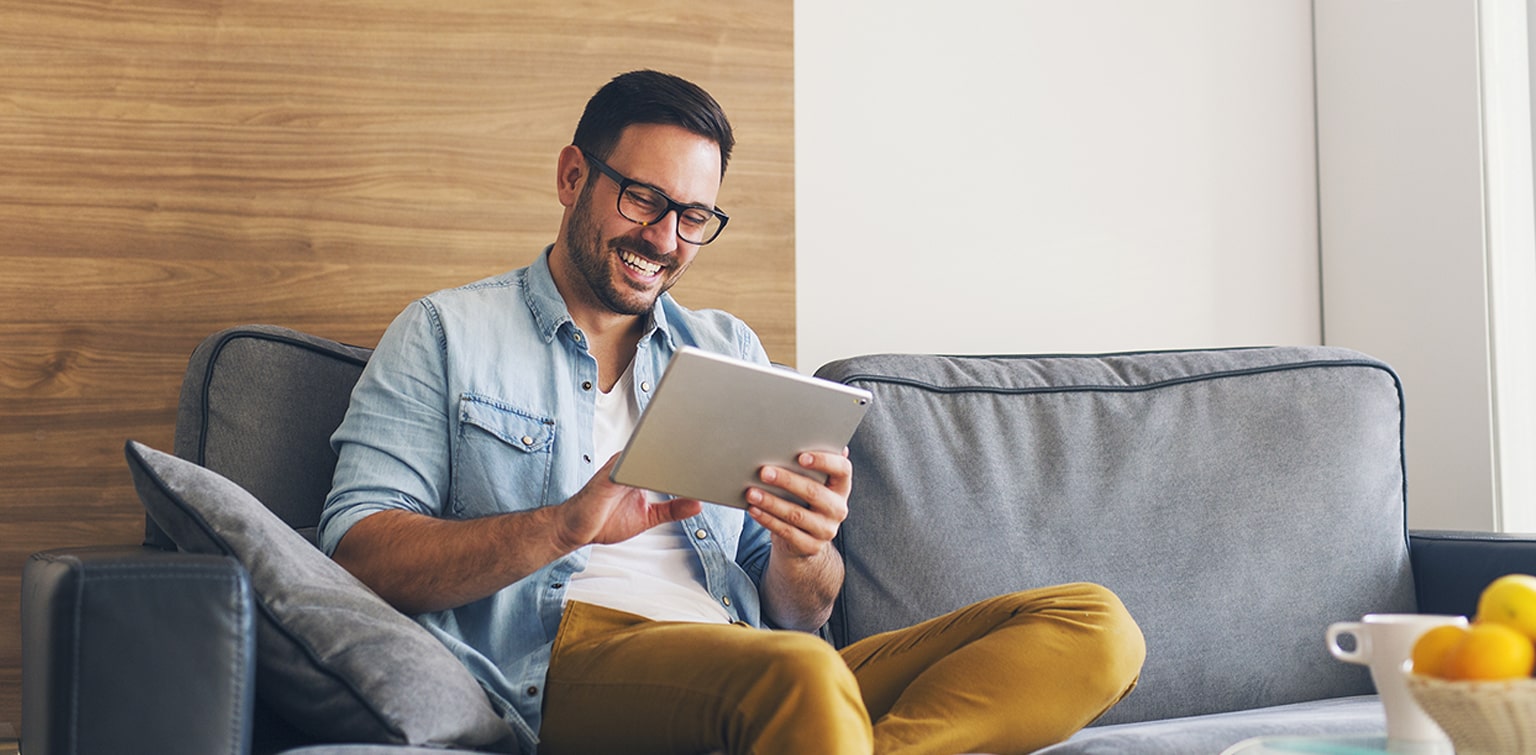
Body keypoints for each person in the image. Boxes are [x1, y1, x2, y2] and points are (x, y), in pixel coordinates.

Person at [320, 69, 1145, 755]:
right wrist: (565, 526)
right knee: (800, 676)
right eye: (642, 199)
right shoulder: (447, 332)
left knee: (1094, 625)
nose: (665, 239)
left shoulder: (725, 348)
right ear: (573, 177)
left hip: (754, 658)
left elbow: (800, 611)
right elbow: (356, 554)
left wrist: (803, 546)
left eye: (694, 217)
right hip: (565, 663)